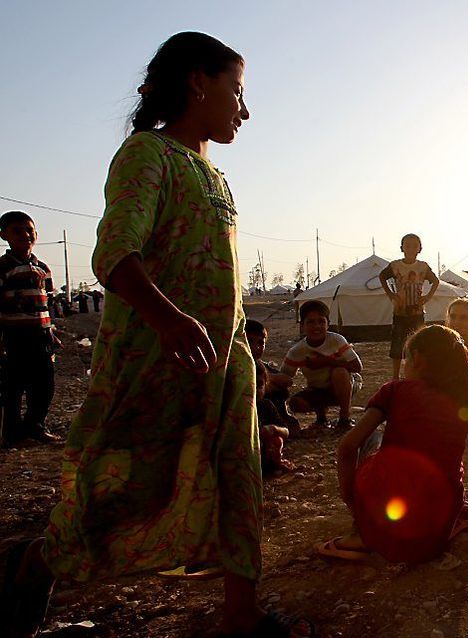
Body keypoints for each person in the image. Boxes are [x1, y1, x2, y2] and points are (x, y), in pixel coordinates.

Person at [0, 32, 315, 638]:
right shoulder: (147, 154)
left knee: (238, 475)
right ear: (199, 81)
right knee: (128, 490)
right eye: (237, 92)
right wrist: (168, 318)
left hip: (223, 362)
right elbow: (113, 255)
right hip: (154, 360)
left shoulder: (215, 176)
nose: (244, 111)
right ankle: (32, 562)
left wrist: (240, 348)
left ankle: (241, 616)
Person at [322, 325, 468, 564]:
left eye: (406, 359)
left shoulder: (394, 391)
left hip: (380, 524)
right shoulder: (463, 405)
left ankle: (359, 534)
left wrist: (353, 503)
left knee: (372, 439)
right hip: (432, 536)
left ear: (418, 360)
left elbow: (347, 446)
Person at [0, 210, 61, 447]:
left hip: (41, 336)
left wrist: (52, 332)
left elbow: (46, 305)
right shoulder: (3, 267)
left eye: (29, 230)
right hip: (15, 337)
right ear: (4, 235)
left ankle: (35, 427)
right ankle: (13, 435)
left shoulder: (42, 268)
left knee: (44, 384)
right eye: (17, 231)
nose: (25, 235)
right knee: (13, 387)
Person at [274, 300, 363, 430]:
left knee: (339, 372)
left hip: (346, 384)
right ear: (302, 325)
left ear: (328, 324)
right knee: (296, 403)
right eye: (310, 322)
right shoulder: (297, 351)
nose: (316, 326)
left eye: (321, 321)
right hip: (318, 389)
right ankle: (321, 417)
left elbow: (357, 367)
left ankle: (344, 418)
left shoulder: (336, 340)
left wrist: (326, 361)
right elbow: (285, 376)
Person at [379, 233, 440, 379]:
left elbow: (435, 281)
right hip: (400, 311)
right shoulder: (395, 266)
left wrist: (428, 297)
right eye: (407, 245)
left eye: (414, 246)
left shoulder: (422, 267)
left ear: (420, 249)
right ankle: (395, 376)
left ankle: (415, 374)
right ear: (402, 248)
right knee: (397, 344)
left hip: (417, 312)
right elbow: (382, 276)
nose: (411, 248)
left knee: (418, 344)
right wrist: (391, 295)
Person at [244, 319, 294, 475]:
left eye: (261, 343)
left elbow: (287, 380)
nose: (256, 347)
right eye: (250, 341)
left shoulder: (261, 367)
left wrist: (266, 381)